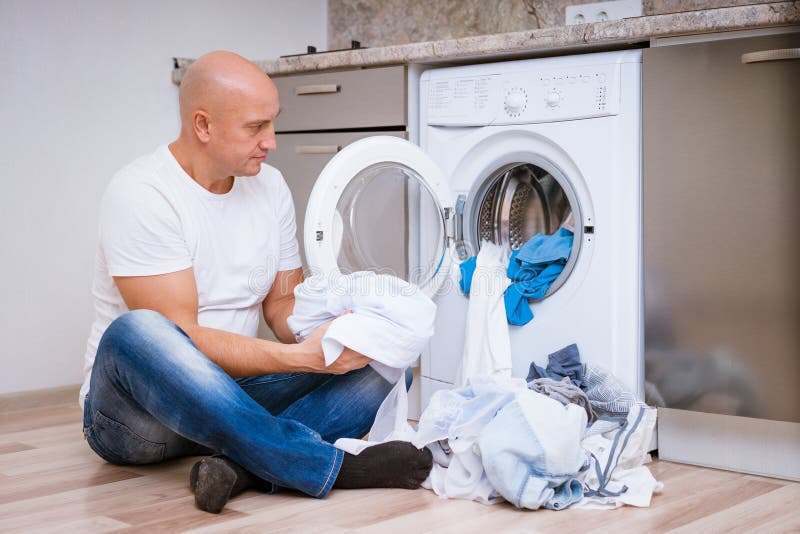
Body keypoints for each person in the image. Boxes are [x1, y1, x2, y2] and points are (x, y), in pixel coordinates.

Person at [80, 50, 432, 514]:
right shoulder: (142, 194)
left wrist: (338, 333)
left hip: (234, 399)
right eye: (255, 127)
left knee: (386, 362)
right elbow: (182, 337)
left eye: (273, 123)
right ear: (203, 125)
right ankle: (331, 466)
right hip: (139, 420)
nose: (271, 141)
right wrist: (299, 359)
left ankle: (243, 467)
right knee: (138, 330)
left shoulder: (270, 187)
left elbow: (282, 302)